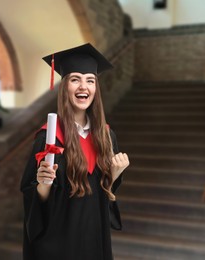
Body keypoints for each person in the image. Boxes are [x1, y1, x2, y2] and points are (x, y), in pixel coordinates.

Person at [20, 43, 129, 260]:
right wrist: (42, 184)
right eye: (75, 79)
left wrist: (114, 176)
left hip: (94, 239)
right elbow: (32, 198)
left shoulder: (107, 137)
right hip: (58, 244)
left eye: (90, 80)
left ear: (96, 88)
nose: (83, 86)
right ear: (64, 86)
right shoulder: (48, 139)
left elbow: (103, 194)